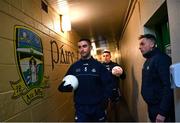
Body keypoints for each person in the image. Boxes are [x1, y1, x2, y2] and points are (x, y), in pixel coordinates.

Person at [58, 38, 114, 122]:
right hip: (81, 109)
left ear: (90, 48)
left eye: (84, 46)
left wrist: (106, 99)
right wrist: (62, 87)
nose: (82, 49)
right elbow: (66, 81)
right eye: (79, 47)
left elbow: (109, 84)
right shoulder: (74, 67)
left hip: (98, 107)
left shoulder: (99, 66)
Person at [139, 34, 175, 122]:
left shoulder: (161, 59)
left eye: (142, 44)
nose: (139, 47)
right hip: (152, 107)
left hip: (160, 109)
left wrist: (162, 112)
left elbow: (168, 86)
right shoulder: (148, 60)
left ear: (152, 44)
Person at [102, 50, 126, 121]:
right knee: (108, 111)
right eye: (104, 56)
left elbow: (124, 77)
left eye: (107, 56)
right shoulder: (100, 66)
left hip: (115, 91)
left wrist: (120, 73)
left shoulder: (116, 66)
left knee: (116, 111)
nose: (105, 57)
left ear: (110, 56)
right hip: (105, 92)